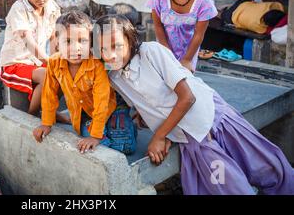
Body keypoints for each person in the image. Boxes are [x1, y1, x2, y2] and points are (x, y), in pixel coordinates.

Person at [94, 14, 294, 195]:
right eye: (102, 49)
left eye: (115, 45)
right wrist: (149, 119)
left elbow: (187, 97)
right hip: (191, 138)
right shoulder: (115, 77)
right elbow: (145, 101)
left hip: (211, 116)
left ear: (130, 40)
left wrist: (160, 135)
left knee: (264, 167)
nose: (110, 54)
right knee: (227, 186)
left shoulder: (151, 52)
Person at [33, 11, 136, 154]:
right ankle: (109, 131)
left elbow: (102, 100)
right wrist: (46, 123)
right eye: (68, 41)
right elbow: (49, 95)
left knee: (126, 147)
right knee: (100, 145)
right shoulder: (54, 63)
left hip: (110, 108)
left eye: (82, 41)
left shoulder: (96, 65)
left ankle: (126, 123)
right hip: (84, 114)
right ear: (57, 43)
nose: (76, 48)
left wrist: (95, 136)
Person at [0, 0, 62, 118]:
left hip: (35, 63)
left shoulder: (53, 7)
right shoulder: (18, 9)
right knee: (48, 75)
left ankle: (51, 111)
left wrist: (57, 60)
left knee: (64, 74)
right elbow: (28, 41)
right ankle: (33, 115)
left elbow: (55, 38)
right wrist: (48, 61)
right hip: (14, 64)